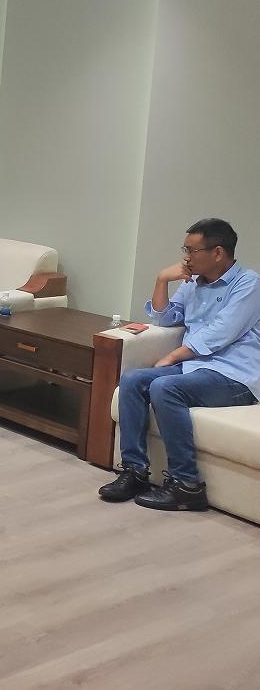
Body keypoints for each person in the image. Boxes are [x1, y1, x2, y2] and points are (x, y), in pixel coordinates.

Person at [99, 218, 260, 511]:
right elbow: (166, 318)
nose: (185, 257)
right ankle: (135, 472)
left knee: (165, 387)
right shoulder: (194, 282)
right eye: (184, 250)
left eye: (191, 250)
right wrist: (162, 279)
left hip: (235, 375)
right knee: (133, 380)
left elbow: (221, 332)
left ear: (218, 252)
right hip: (194, 368)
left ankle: (187, 484)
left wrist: (172, 357)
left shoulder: (249, 283)